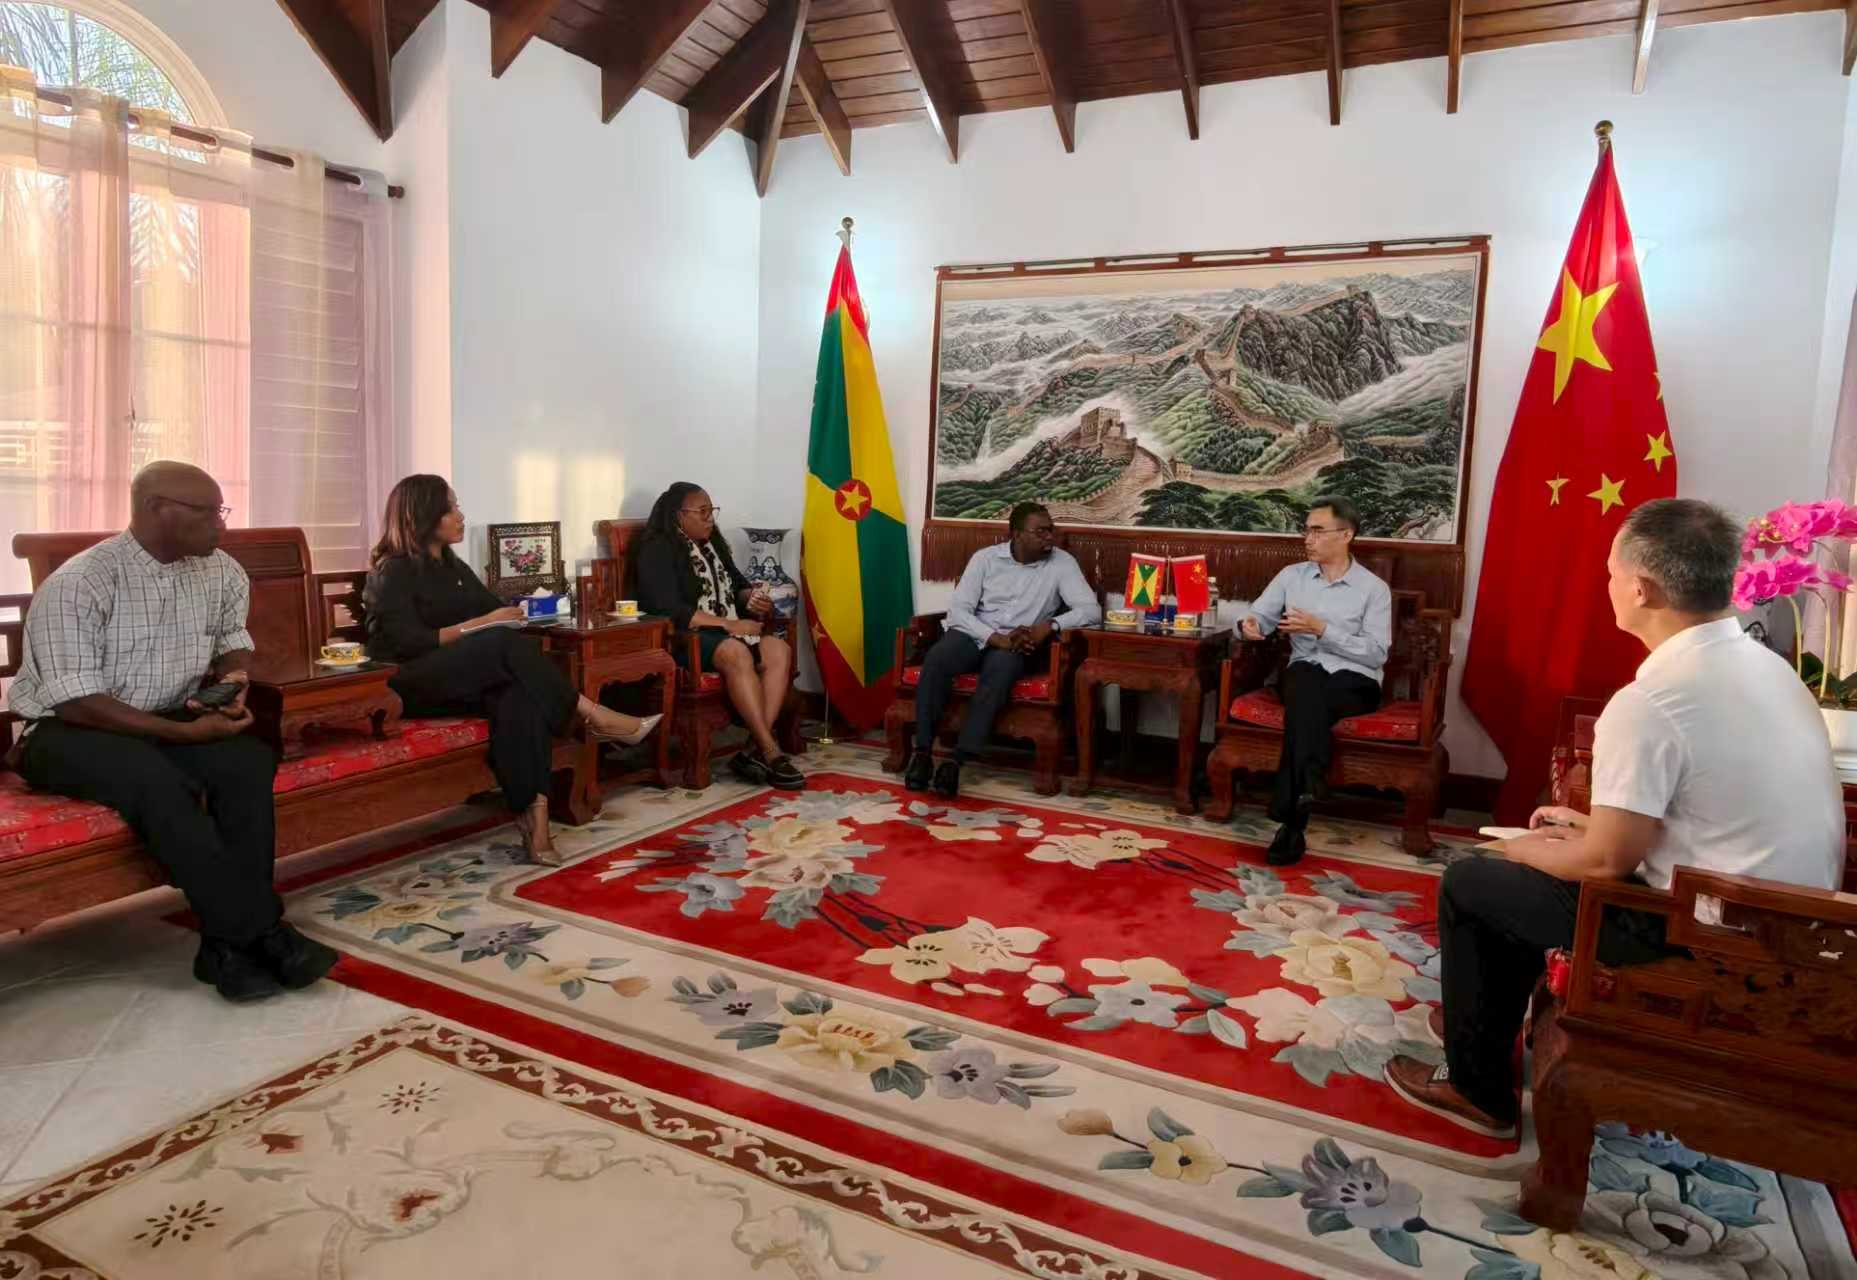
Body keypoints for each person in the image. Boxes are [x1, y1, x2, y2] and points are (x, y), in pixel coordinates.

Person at [1385, 498, 1844, 1138]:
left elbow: (1605, 863)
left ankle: (1477, 1088)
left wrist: (1517, 848)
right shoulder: (1770, 667)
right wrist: (1583, 831)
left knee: (1475, 881)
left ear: (1641, 588)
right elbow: (1698, 813)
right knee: (1541, 861)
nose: (1608, 585)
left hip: (1705, 937)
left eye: (1610, 572)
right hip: (1792, 922)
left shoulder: (1654, 698)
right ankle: (1484, 1020)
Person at [7, 461, 339, 1003]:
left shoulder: (220, 570)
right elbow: (77, 701)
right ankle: (265, 932)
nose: (221, 525)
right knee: (156, 780)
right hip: (64, 731)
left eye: (221, 511)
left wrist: (232, 682)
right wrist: (183, 736)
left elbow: (233, 642)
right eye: (207, 513)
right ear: (155, 509)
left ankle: (224, 949)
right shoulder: (81, 583)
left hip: (164, 717)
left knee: (246, 762)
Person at [364, 476, 659, 863]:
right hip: (409, 683)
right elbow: (409, 643)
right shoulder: (393, 571)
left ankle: (536, 822)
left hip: (458, 678)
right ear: (424, 515)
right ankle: (593, 715)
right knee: (501, 644)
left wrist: (518, 611)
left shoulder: (452, 566)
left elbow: (492, 609)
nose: (460, 515)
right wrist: (483, 624)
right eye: (451, 508)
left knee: (519, 695)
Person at [903, 502, 1100, 798]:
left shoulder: (1062, 563)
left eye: (1051, 530)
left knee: (1001, 669)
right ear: (1016, 534)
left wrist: (1049, 625)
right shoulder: (985, 559)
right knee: (937, 659)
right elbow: (959, 611)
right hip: (976, 632)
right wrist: (994, 637)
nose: (1049, 537)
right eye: (1040, 532)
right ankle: (922, 753)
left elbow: (1091, 611)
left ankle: (957, 760)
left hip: (1020, 642)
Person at [1240, 495, 1392, 866]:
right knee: (1306, 683)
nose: (1308, 539)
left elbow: (1376, 653)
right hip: (1304, 671)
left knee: (1309, 701)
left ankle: (1290, 820)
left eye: (1318, 531)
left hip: (1355, 681)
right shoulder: (1291, 576)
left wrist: (1322, 629)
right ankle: (1308, 784)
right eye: (1307, 530)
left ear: (1346, 535)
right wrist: (1250, 626)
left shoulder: (1373, 589)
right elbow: (1259, 616)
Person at [634, 482, 803, 790]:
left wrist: (751, 598)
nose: (710, 518)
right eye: (703, 512)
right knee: (735, 652)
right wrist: (730, 626)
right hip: (686, 639)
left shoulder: (713, 543)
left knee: (779, 650)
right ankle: (770, 751)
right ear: (679, 516)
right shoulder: (657, 548)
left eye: (712, 511)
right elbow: (668, 609)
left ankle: (752, 750)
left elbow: (737, 585)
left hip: (725, 632)